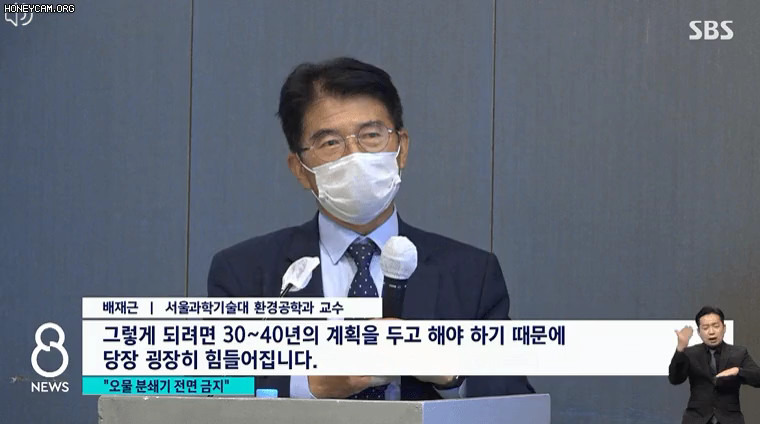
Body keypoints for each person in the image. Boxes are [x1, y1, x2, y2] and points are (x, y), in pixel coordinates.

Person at [207, 57, 534, 400]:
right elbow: (216, 391)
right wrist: (309, 385)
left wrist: (450, 372)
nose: (355, 155)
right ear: (300, 169)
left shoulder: (470, 275)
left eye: (371, 136)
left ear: (401, 149)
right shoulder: (244, 273)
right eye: (330, 143)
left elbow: (516, 401)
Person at [669, 306, 760, 424]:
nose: (711, 332)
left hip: (730, 419)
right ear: (699, 332)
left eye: (716, 326)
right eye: (705, 328)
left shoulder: (739, 353)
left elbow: (758, 377)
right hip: (696, 419)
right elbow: (675, 379)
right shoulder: (690, 353)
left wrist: (738, 371)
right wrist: (680, 348)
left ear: (724, 328)